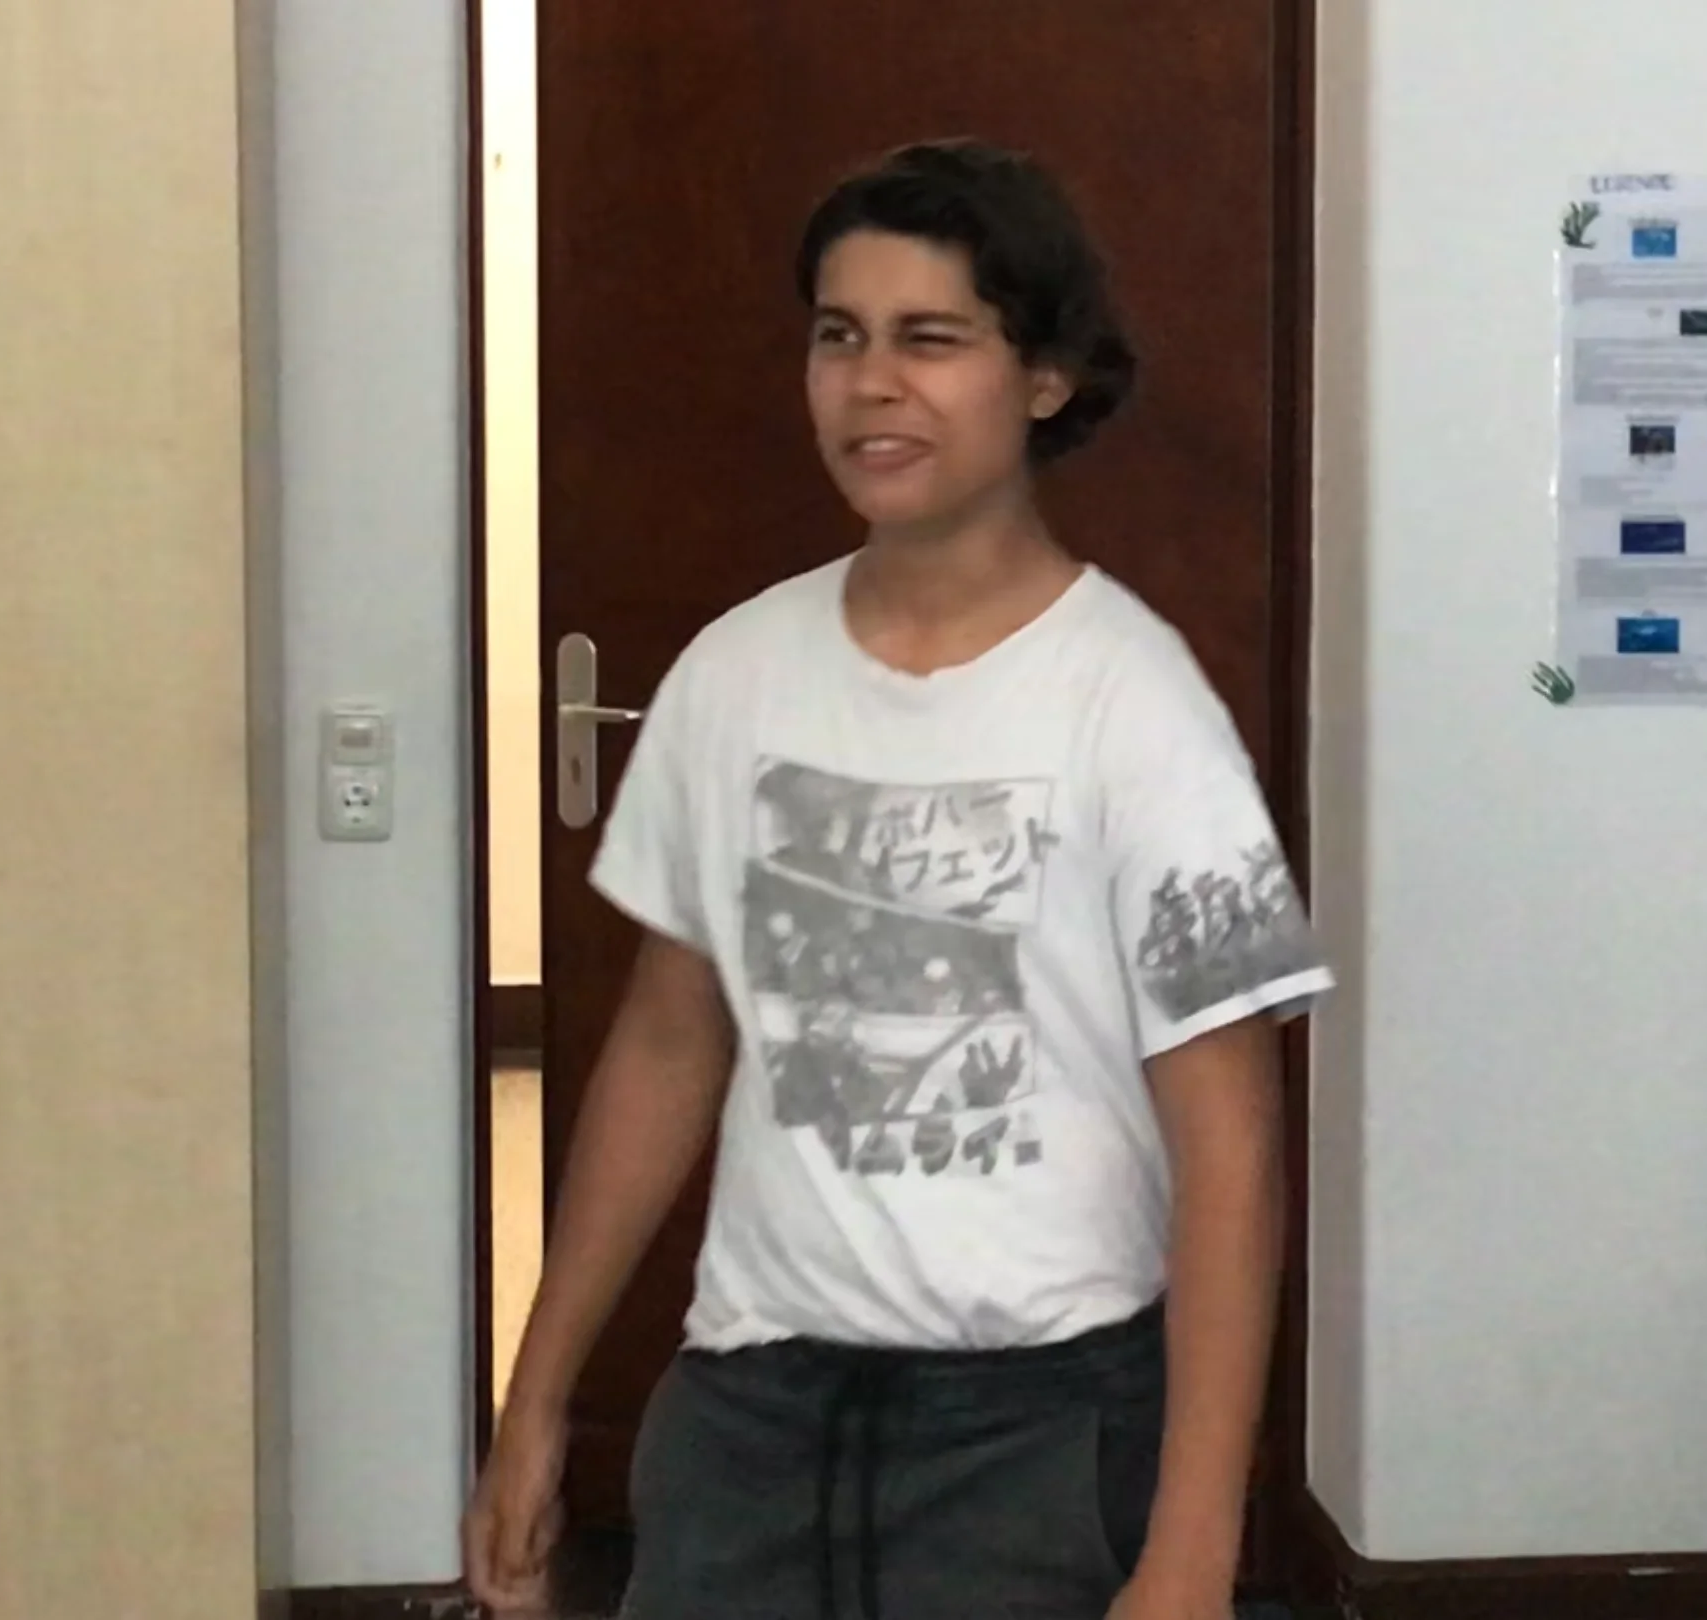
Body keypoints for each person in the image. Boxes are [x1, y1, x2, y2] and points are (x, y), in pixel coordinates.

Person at [463, 137, 1334, 1620]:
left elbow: (1233, 1147)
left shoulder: (1136, 708)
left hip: (1041, 1432)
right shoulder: (735, 674)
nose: (872, 384)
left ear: (1042, 376)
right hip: (748, 1419)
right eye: (839, 336)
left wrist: (1193, 1549)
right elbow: (669, 1043)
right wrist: (535, 1399)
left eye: (930, 339)